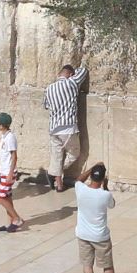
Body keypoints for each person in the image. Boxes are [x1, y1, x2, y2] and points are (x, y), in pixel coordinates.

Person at [75, 163, 125, 273]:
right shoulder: (105, 195)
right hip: (100, 237)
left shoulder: (80, 189)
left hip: (83, 235)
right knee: (107, 265)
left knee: (87, 266)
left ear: (91, 176)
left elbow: (78, 179)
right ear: (103, 179)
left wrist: (92, 167)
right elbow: (112, 204)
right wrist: (106, 186)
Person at [44, 64, 88, 192]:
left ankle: (58, 183)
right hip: (68, 127)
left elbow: (46, 105)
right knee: (74, 153)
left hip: (53, 128)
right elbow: (83, 70)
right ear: (70, 74)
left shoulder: (49, 88)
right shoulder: (71, 83)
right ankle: (55, 173)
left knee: (56, 156)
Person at [0, 113, 24, 233]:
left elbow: (14, 156)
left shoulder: (10, 137)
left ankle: (17, 219)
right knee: (7, 197)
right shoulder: (4, 136)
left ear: (3, 125)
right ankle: (10, 223)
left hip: (8, 172)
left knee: (0, 198)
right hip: (4, 171)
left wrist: (11, 173)